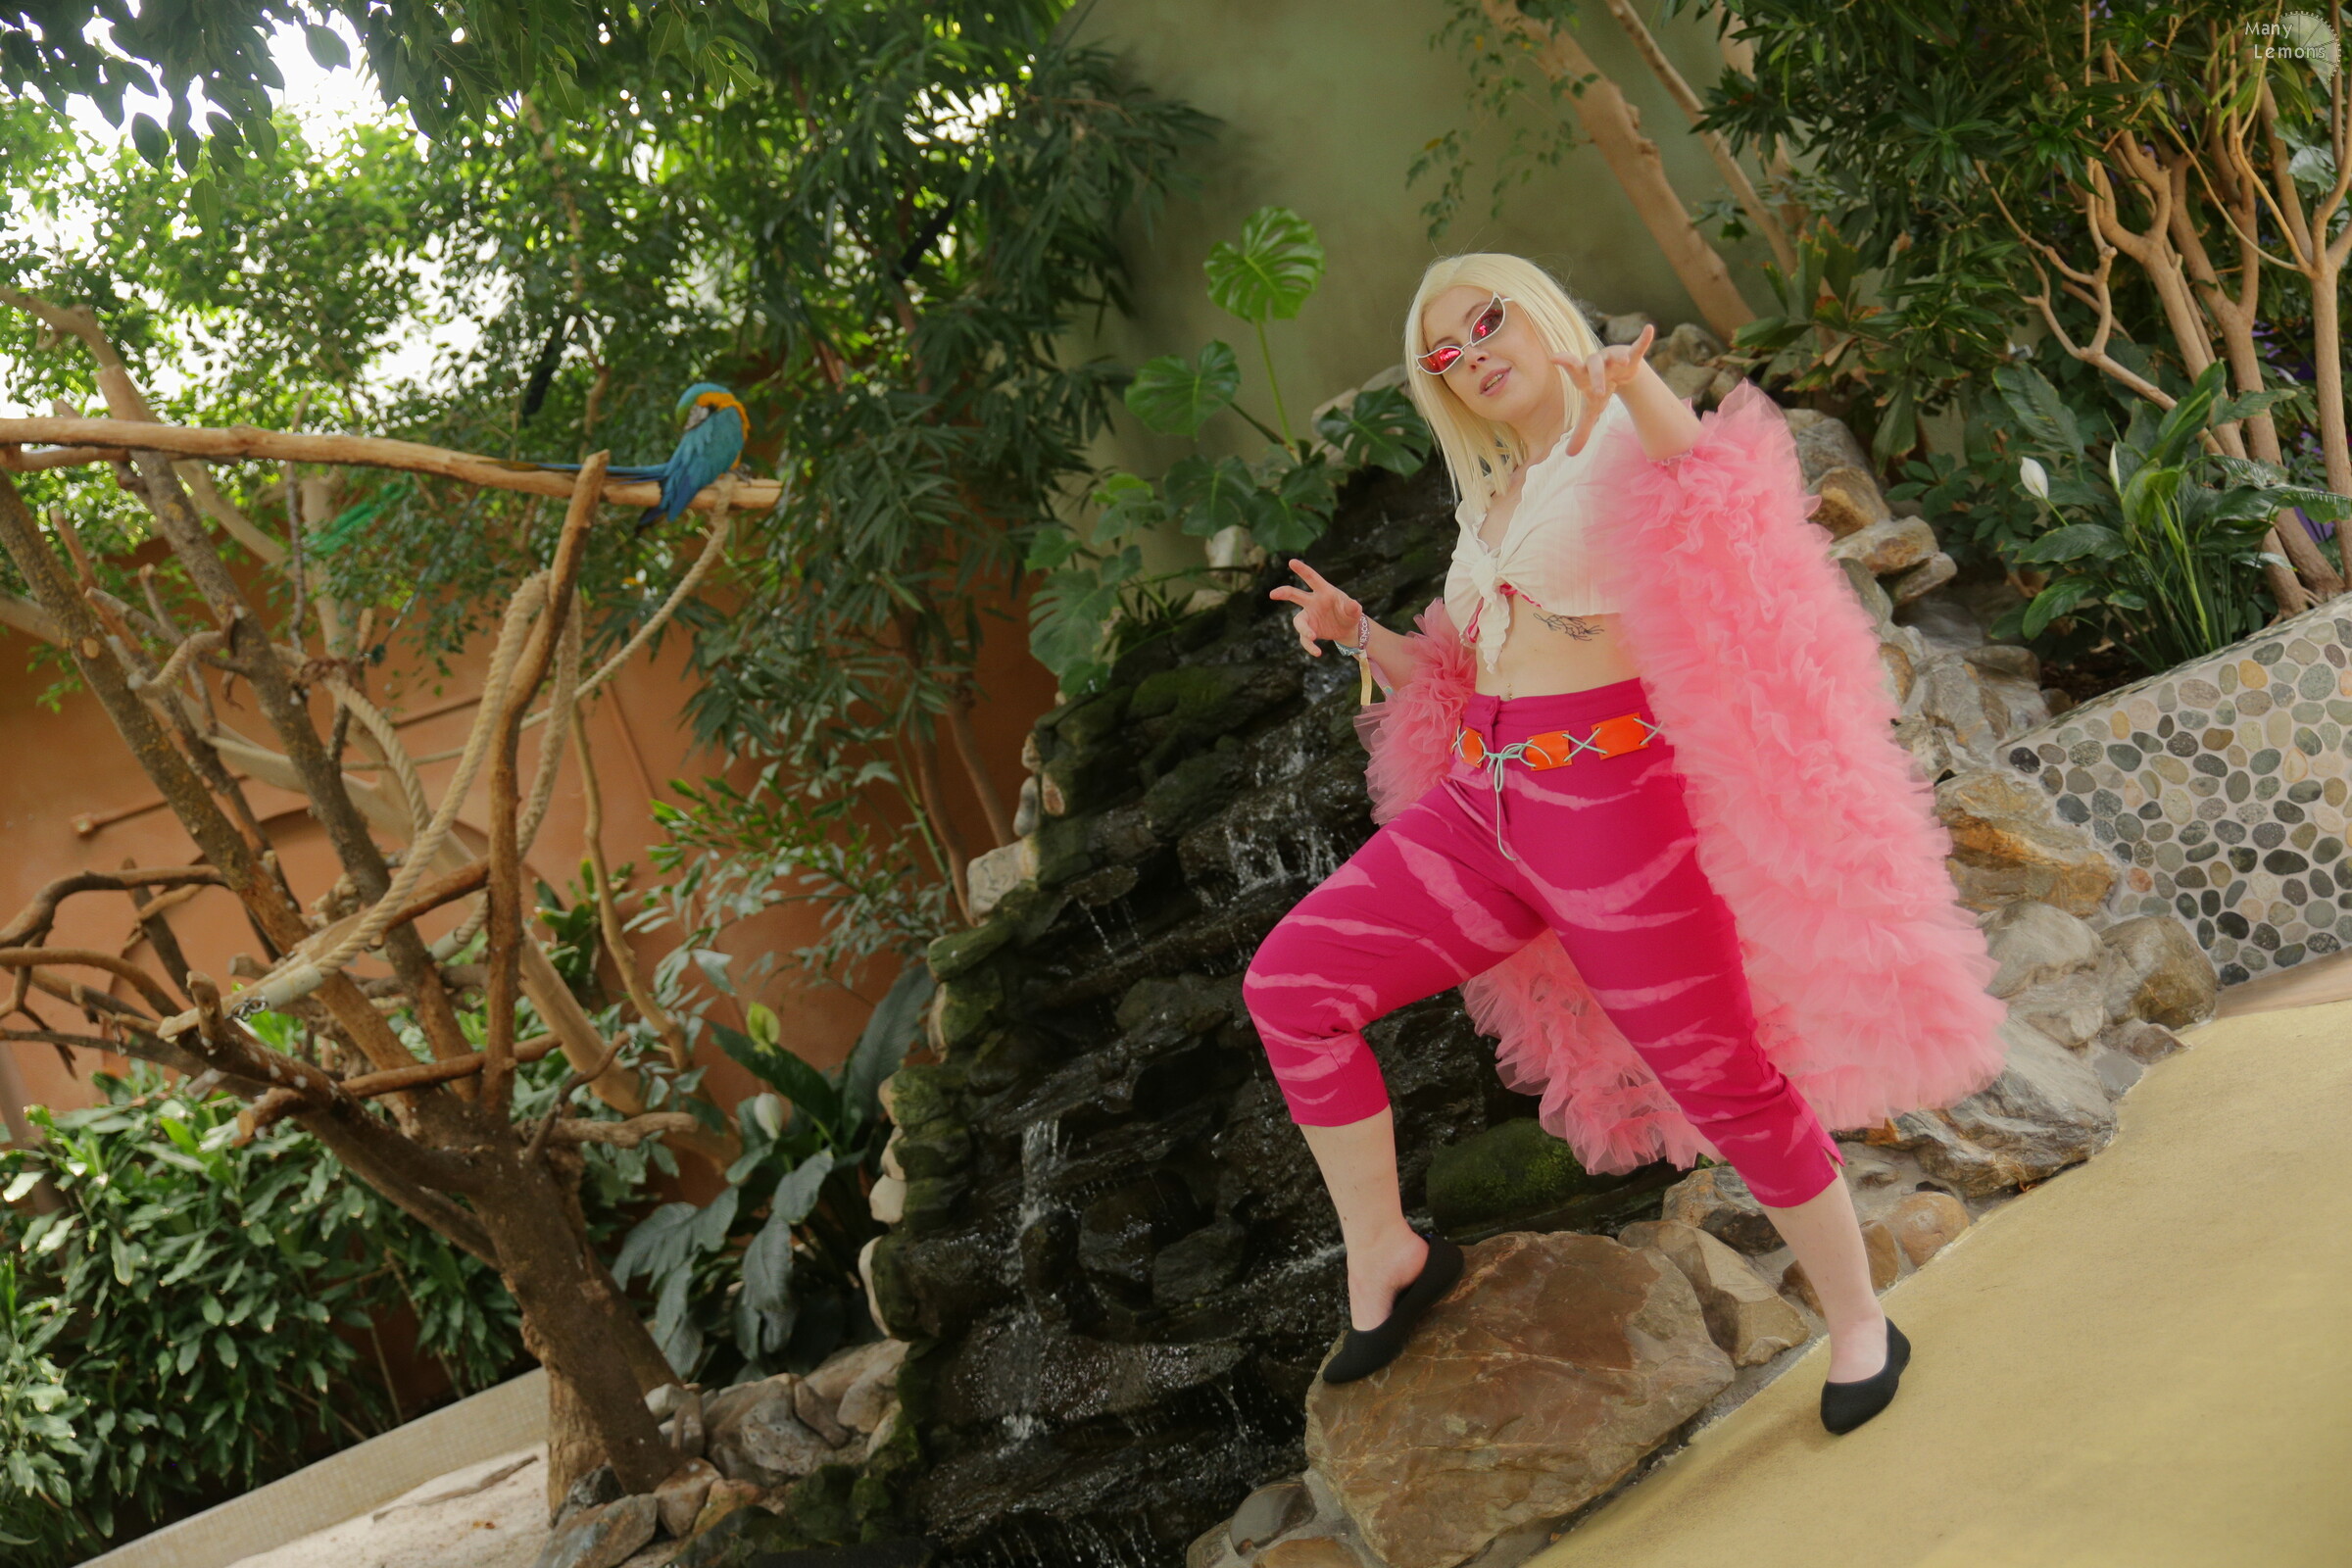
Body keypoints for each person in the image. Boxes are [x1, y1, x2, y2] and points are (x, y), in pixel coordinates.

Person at [1245, 253, 2010, 1436]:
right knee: (1291, 987)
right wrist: (1362, 638)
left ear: (1537, 309)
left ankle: (1862, 1318)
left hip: (1618, 817)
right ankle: (1387, 1248)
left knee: (1723, 1075)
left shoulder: (1621, 438)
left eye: (1486, 322)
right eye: (1444, 354)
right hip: (1485, 806)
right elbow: (1465, 676)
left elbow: (1713, 492)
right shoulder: (1493, 497)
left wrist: (1636, 386)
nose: (1472, 356)